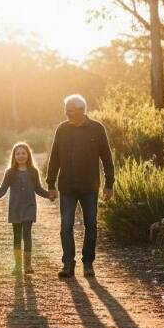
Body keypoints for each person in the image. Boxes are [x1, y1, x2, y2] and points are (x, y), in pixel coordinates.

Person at [46, 94, 115, 278]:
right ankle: (68, 264)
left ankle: (88, 263)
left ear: (81, 111)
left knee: (91, 225)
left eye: (69, 111)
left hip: (89, 187)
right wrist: (50, 184)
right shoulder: (62, 130)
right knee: (66, 225)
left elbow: (107, 159)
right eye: (66, 110)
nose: (66, 114)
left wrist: (109, 184)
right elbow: (54, 158)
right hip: (67, 187)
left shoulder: (97, 129)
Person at [0, 142, 55, 275]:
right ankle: (17, 265)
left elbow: (38, 189)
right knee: (16, 236)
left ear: (28, 155)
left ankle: (27, 265)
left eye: (23, 153)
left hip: (29, 207)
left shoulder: (33, 172)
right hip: (15, 208)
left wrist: (49, 195)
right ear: (14, 156)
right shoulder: (10, 173)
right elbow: (3, 189)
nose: (21, 156)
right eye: (18, 153)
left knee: (27, 234)